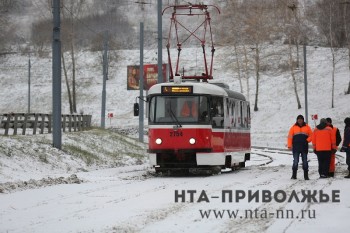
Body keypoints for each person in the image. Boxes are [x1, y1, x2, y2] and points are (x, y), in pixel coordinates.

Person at [287, 115, 313, 180]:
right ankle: (294, 175)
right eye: (298, 119)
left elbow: (311, 136)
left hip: (304, 147)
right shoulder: (293, 127)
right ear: (297, 120)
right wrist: (289, 145)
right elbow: (290, 137)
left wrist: (307, 140)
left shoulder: (307, 127)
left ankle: (306, 176)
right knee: (295, 161)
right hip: (296, 148)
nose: (300, 120)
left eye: (301, 119)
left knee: (305, 161)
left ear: (303, 120)